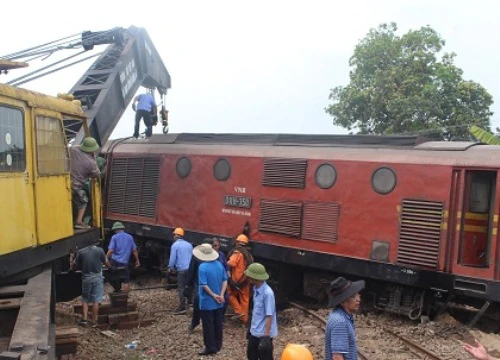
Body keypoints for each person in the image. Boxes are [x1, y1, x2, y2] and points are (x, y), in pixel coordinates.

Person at [195, 244, 228, 356]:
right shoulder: (219, 265)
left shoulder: (202, 267)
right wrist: (221, 295)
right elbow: (225, 280)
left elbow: (204, 285)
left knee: (208, 325)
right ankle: (218, 345)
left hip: (207, 301)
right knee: (218, 323)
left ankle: (210, 347)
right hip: (219, 301)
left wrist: (214, 295)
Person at [325, 277, 365, 360]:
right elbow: (337, 357)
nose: (358, 299)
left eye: (358, 294)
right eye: (353, 296)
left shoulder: (340, 316)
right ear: (343, 302)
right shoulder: (340, 322)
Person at [244, 263, 277, 360]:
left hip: (263, 334)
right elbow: (256, 312)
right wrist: (251, 328)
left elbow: (269, 315)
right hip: (255, 332)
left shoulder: (267, 293)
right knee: (251, 356)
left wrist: (266, 337)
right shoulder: (256, 289)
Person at [72, 243, 107, 327]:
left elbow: (75, 266)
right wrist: (111, 267)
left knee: (85, 299)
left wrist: (72, 268)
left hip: (86, 278)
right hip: (97, 278)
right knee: (96, 300)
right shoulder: (100, 250)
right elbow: (105, 261)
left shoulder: (81, 252)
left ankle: (84, 319)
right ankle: (94, 321)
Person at [70, 137, 100, 229]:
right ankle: (79, 222)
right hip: (75, 186)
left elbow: (73, 146)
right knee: (83, 200)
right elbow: (97, 174)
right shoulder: (91, 163)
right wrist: (94, 159)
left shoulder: (73, 150)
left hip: (64, 181)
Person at [227, 234, 254, 324]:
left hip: (236, 280)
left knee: (229, 294)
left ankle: (239, 312)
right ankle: (244, 320)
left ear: (237, 242)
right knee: (245, 299)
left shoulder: (237, 253)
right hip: (246, 281)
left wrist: (224, 262)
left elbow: (232, 263)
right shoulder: (249, 255)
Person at [106, 222, 140, 292]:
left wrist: (105, 257)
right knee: (126, 280)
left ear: (115, 230)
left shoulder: (114, 237)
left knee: (113, 277)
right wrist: (137, 260)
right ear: (122, 229)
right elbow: (134, 250)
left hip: (115, 261)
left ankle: (117, 291)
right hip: (125, 262)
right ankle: (125, 296)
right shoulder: (130, 237)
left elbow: (111, 251)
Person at [167, 227, 193, 315]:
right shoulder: (189, 244)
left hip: (181, 270)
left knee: (181, 288)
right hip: (190, 269)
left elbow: (172, 259)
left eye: (174, 234)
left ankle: (182, 307)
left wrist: (170, 267)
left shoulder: (175, 245)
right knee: (189, 286)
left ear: (175, 235)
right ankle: (190, 303)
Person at [211, 238, 229, 315]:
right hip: (213, 279)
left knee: (226, 297)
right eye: (214, 245)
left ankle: (222, 314)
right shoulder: (209, 255)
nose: (215, 247)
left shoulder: (221, 255)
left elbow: (226, 265)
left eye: (217, 245)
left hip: (222, 279)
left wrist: (228, 274)